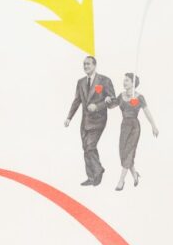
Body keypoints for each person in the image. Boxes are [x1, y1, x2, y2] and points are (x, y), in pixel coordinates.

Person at [64, 54, 115, 187]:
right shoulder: (80, 82)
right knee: (86, 148)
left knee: (90, 146)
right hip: (85, 121)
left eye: (88, 64)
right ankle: (91, 177)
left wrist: (98, 106)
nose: (86, 66)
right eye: (84, 64)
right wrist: (69, 117)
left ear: (94, 65)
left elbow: (113, 100)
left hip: (98, 120)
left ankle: (98, 171)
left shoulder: (104, 80)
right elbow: (77, 101)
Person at [111, 72, 158, 191]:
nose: (124, 82)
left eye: (127, 80)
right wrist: (107, 100)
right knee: (123, 153)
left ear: (133, 83)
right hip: (124, 127)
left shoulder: (139, 97)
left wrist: (153, 126)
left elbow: (147, 112)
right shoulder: (121, 96)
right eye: (124, 80)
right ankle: (135, 175)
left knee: (129, 152)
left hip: (134, 127)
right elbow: (111, 106)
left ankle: (121, 181)